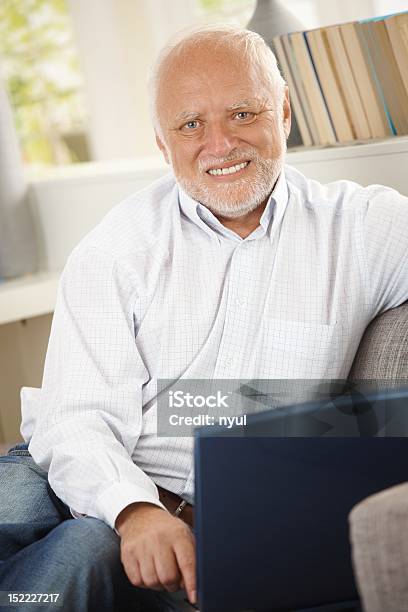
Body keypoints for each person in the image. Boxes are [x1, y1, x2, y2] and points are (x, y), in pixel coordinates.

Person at [0, 23, 407, 612]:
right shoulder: (117, 248)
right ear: (163, 143)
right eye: (191, 124)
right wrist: (136, 510)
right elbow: (77, 420)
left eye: (243, 113)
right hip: (79, 468)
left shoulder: (363, 229)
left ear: (284, 111)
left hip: (198, 523)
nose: (219, 144)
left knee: (77, 557)